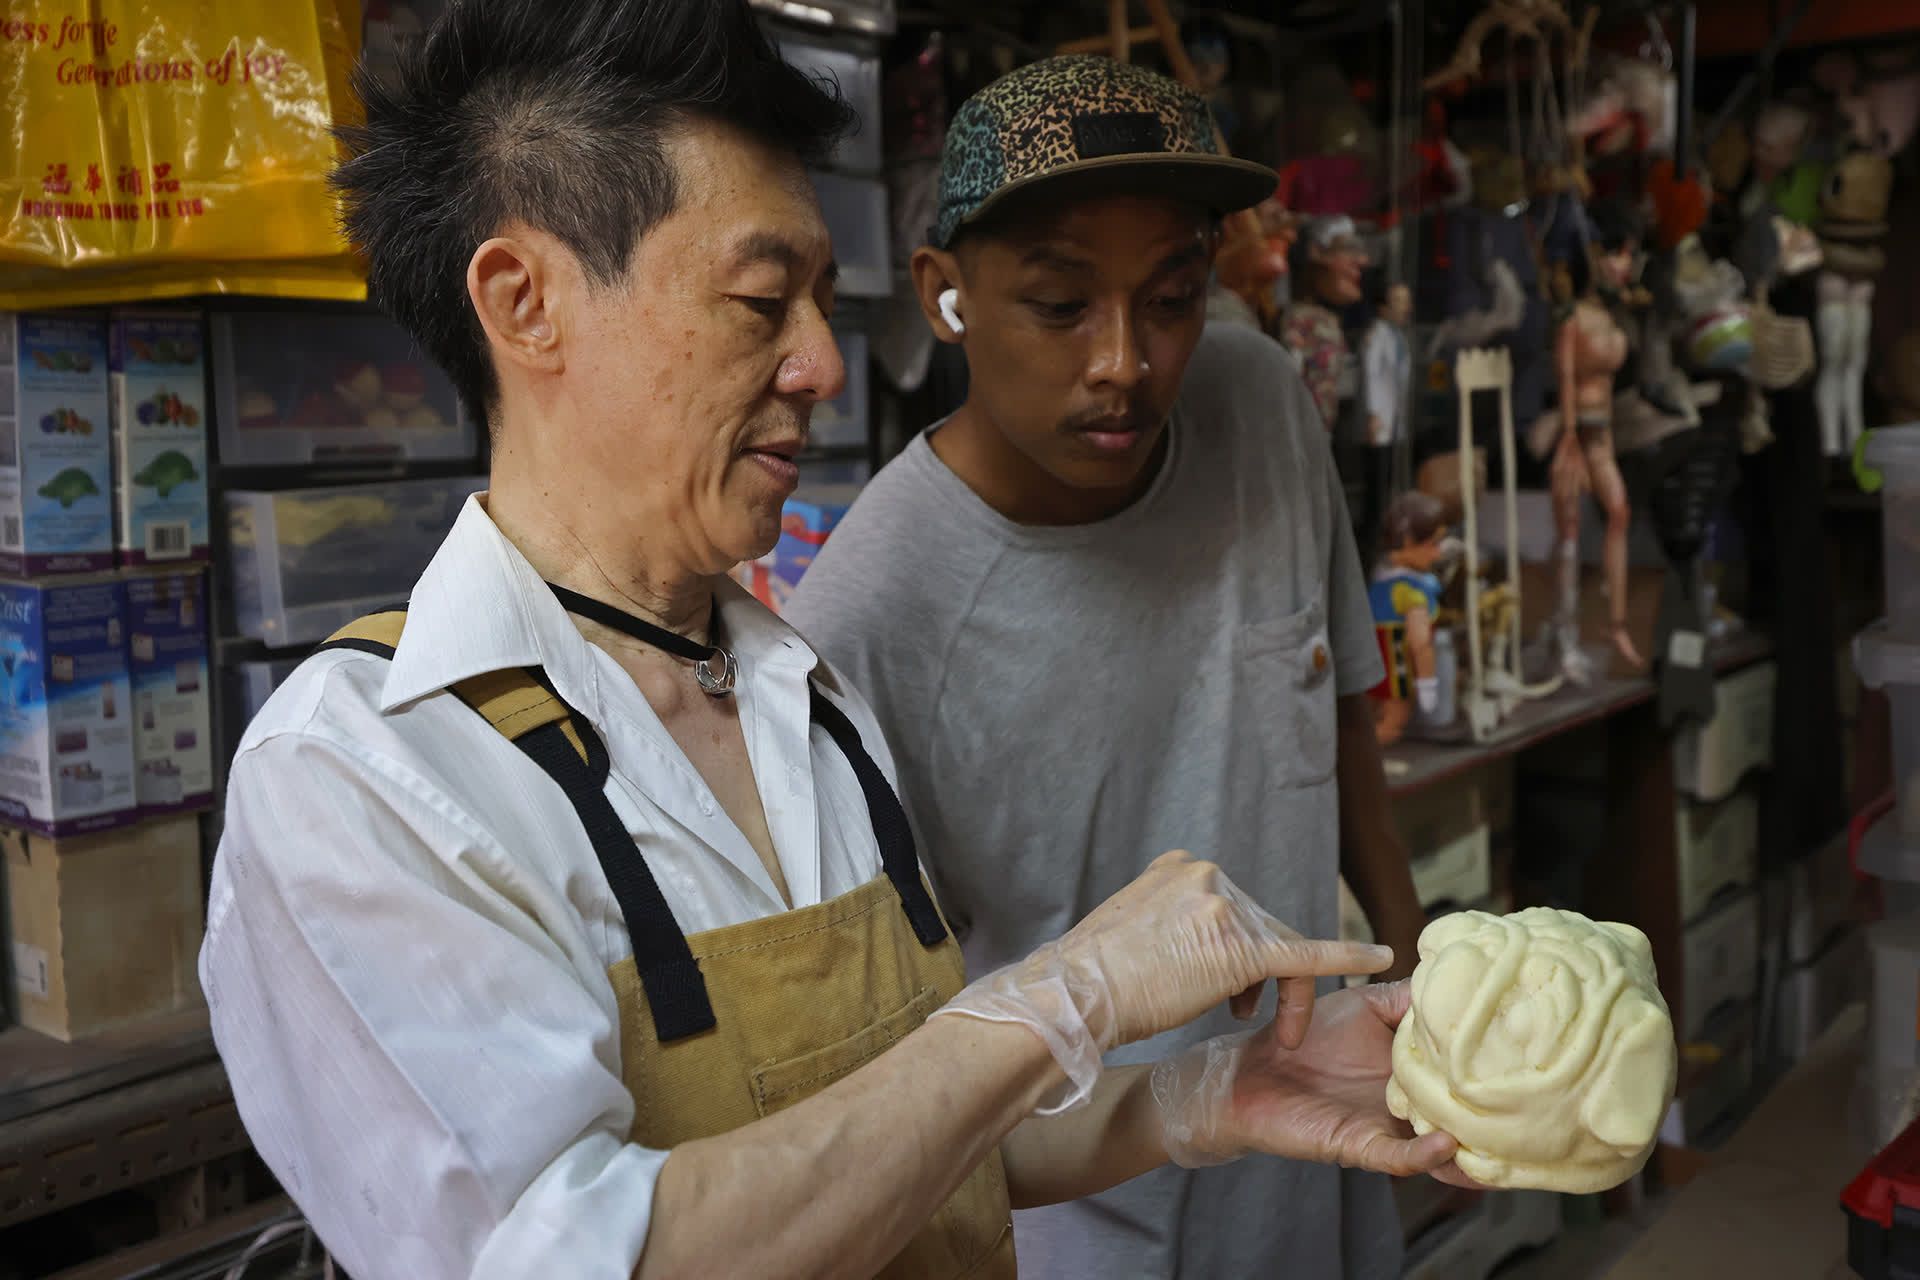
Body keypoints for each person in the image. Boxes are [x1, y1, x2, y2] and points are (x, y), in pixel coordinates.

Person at [198, 8, 1468, 1280]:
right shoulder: (367, 774)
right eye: (761, 302)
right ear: (526, 304)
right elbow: (589, 1255)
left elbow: (917, 1131)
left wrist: (1205, 1096)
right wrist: (1064, 993)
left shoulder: (800, 697)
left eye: (818, 297)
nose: (819, 362)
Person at [787, 55, 1431, 1279]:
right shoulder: (870, 619)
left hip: (1327, 1160)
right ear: (944, 295)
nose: (1125, 363)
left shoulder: (1259, 405)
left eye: (1173, 297)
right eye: (1061, 304)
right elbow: (875, 1064)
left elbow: (1342, 739)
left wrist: (1425, 999)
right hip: (1096, 1224)